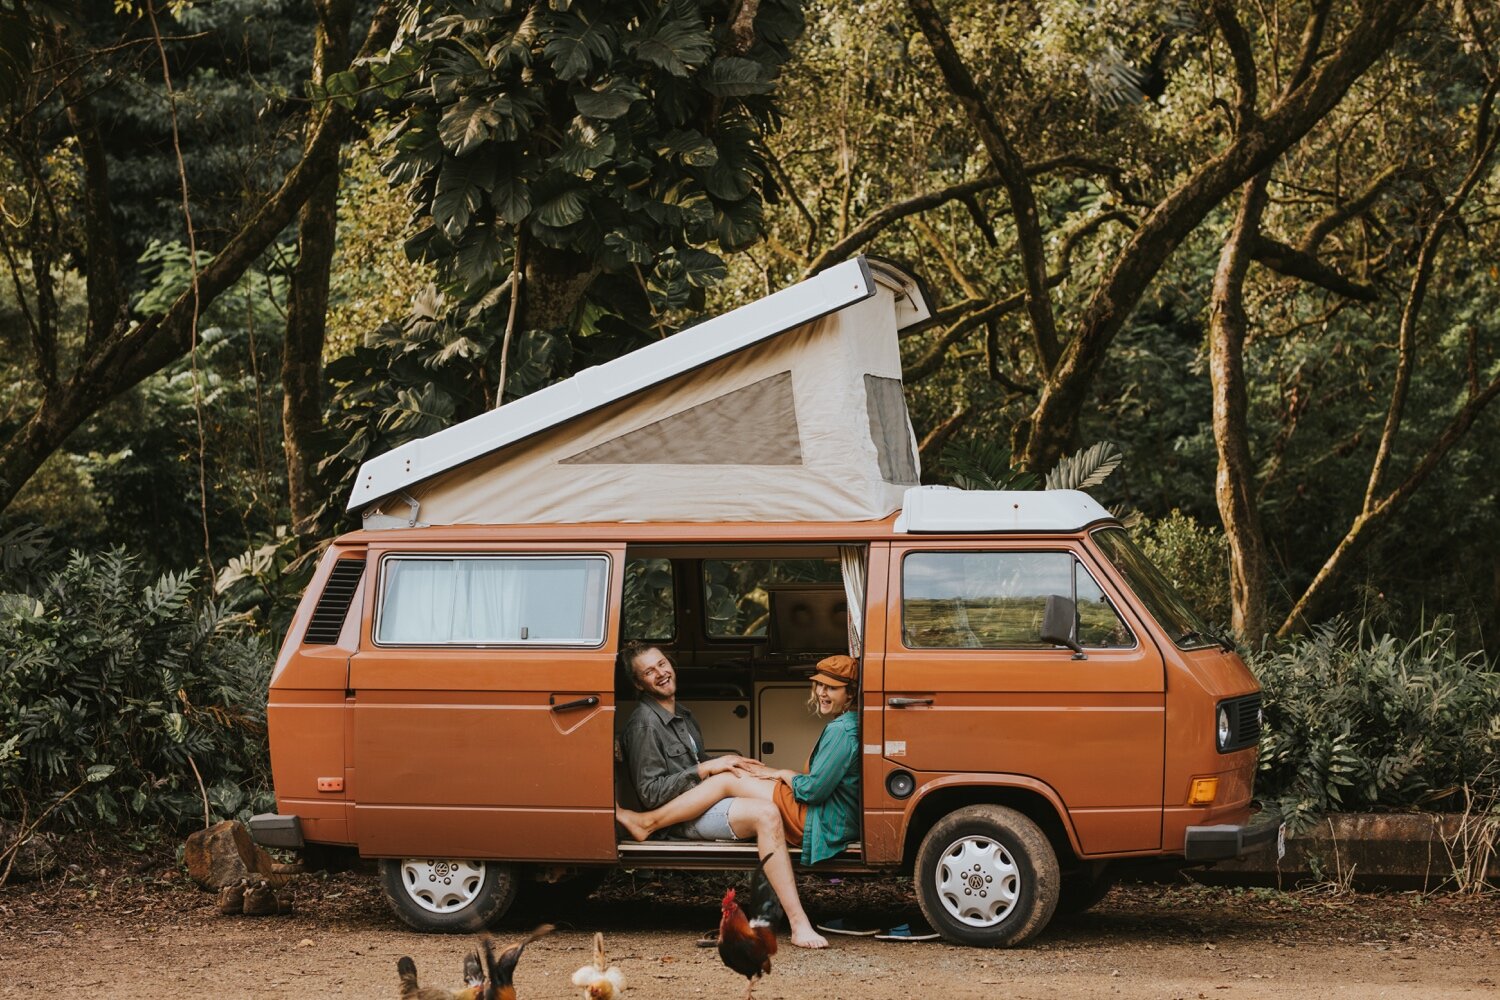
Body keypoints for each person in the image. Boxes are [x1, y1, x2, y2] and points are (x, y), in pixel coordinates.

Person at [617, 651, 862, 939]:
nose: (660, 673)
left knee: (733, 773)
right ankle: (647, 823)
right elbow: (652, 792)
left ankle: (647, 822)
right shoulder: (645, 724)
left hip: (703, 802)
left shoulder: (683, 715)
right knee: (737, 786)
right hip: (680, 813)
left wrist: (731, 765)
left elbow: (814, 787)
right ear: (638, 683)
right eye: (649, 671)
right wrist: (710, 768)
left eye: (662, 664)